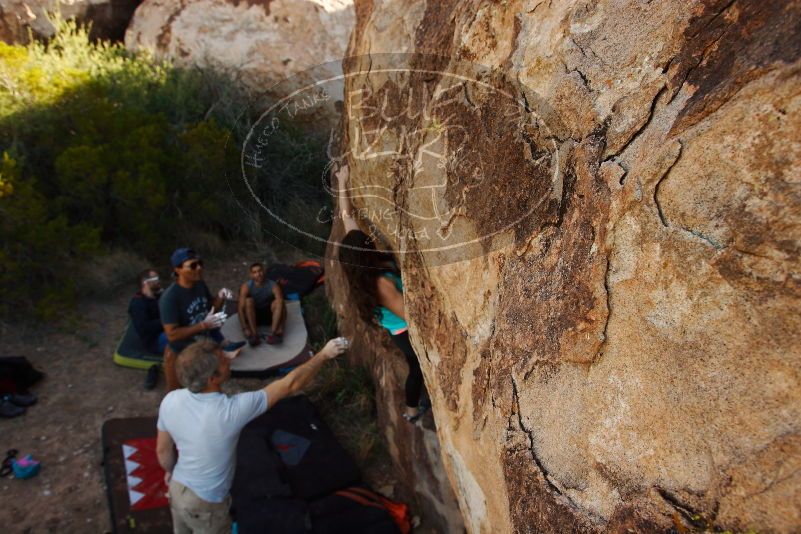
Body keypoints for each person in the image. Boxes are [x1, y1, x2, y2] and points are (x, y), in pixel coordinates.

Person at [156, 336, 349, 533]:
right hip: (207, 504)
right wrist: (324, 354)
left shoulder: (171, 400)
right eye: (223, 361)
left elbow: (163, 451)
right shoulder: (230, 412)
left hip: (177, 490)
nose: (229, 360)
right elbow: (290, 385)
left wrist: (172, 472)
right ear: (211, 379)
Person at [334, 164, 428, 423]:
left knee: (416, 367)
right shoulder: (381, 285)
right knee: (417, 368)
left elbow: (346, 217)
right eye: (367, 241)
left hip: (393, 327)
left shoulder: (359, 274)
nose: (368, 238)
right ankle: (411, 411)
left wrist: (342, 181)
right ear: (366, 253)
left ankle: (412, 407)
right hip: (403, 330)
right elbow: (409, 316)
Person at [159, 248, 244, 392]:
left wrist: (220, 296)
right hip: (181, 355)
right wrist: (203, 325)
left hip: (203, 350)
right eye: (192, 265)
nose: (199, 268)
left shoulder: (199, 284)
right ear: (178, 270)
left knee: (209, 389)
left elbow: (210, 306)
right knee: (176, 394)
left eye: (200, 263)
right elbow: (172, 334)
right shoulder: (170, 298)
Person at [129, 269, 168, 390]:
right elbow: (143, 328)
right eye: (155, 280)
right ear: (145, 283)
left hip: (167, 330)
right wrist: (166, 321)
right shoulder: (138, 304)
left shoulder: (158, 296)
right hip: (154, 340)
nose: (159, 282)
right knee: (182, 338)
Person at [238, 262, 286, 347]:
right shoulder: (246, 286)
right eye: (255, 272)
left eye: (260, 271)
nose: (258, 274)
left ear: (264, 271)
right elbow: (240, 309)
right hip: (253, 317)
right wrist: (244, 328)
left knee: (279, 301)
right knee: (248, 301)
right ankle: (254, 335)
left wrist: (281, 327)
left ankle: (273, 334)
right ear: (251, 275)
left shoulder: (273, 285)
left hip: (269, 317)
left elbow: (282, 306)